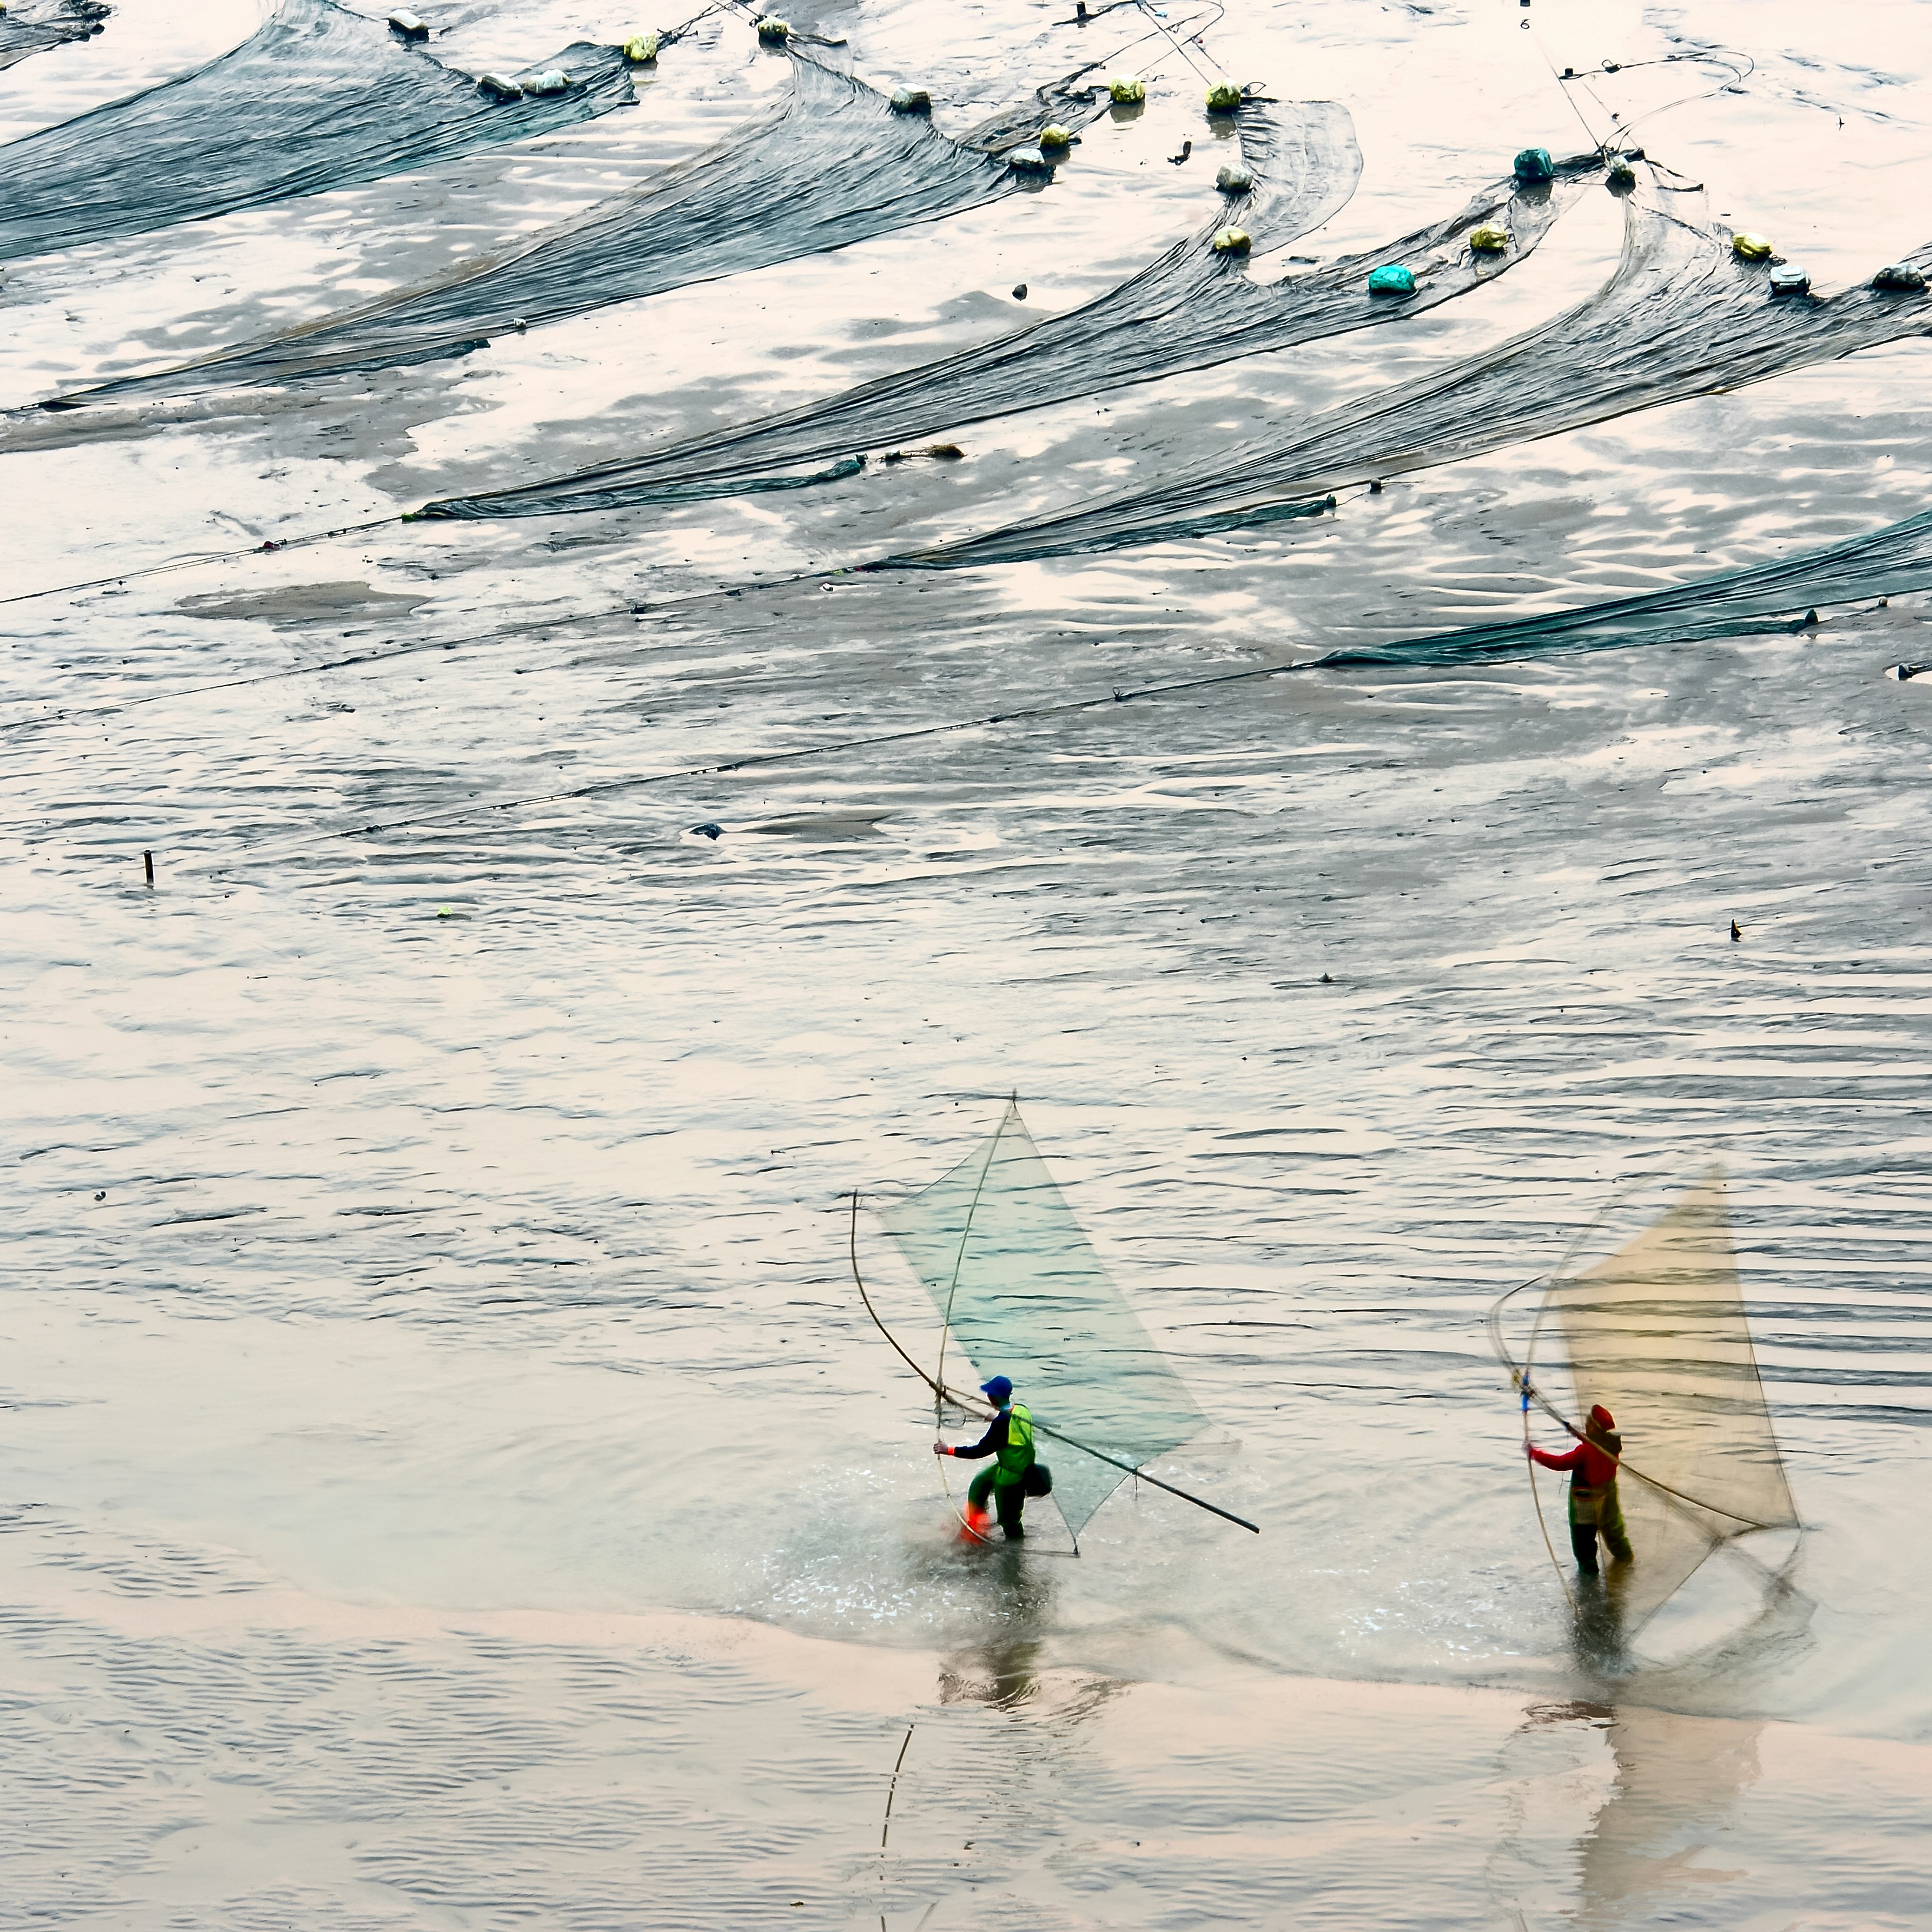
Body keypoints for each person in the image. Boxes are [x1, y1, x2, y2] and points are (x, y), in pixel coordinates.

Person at [1528, 1402, 1633, 1576]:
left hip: (1585, 1505)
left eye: (1588, 1422)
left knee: (1584, 1545)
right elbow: (1596, 1446)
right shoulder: (1612, 1447)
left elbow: (1559, 1463)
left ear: (1594, 1428)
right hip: (1608, 1502)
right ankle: (1627, 1561)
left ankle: (1590, 1580)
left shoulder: (1584, 1452)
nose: (1585, 1424)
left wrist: (1534, 1453)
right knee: (1615, 1536)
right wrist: (1578, 1435)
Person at [934, 1375, 1036, 1541]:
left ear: (993, 1397)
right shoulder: (1022, 1410)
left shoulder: (1002, 1423)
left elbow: (979, 1451)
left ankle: (1016, 1548)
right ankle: (977, 1528)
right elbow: (1011, 1427)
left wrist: (949, 1450)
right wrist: (996, 1418)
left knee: (1009, 1520)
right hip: (1006, 1465)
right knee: (978, 1485)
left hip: (1013, 1477)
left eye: (989, 1394)